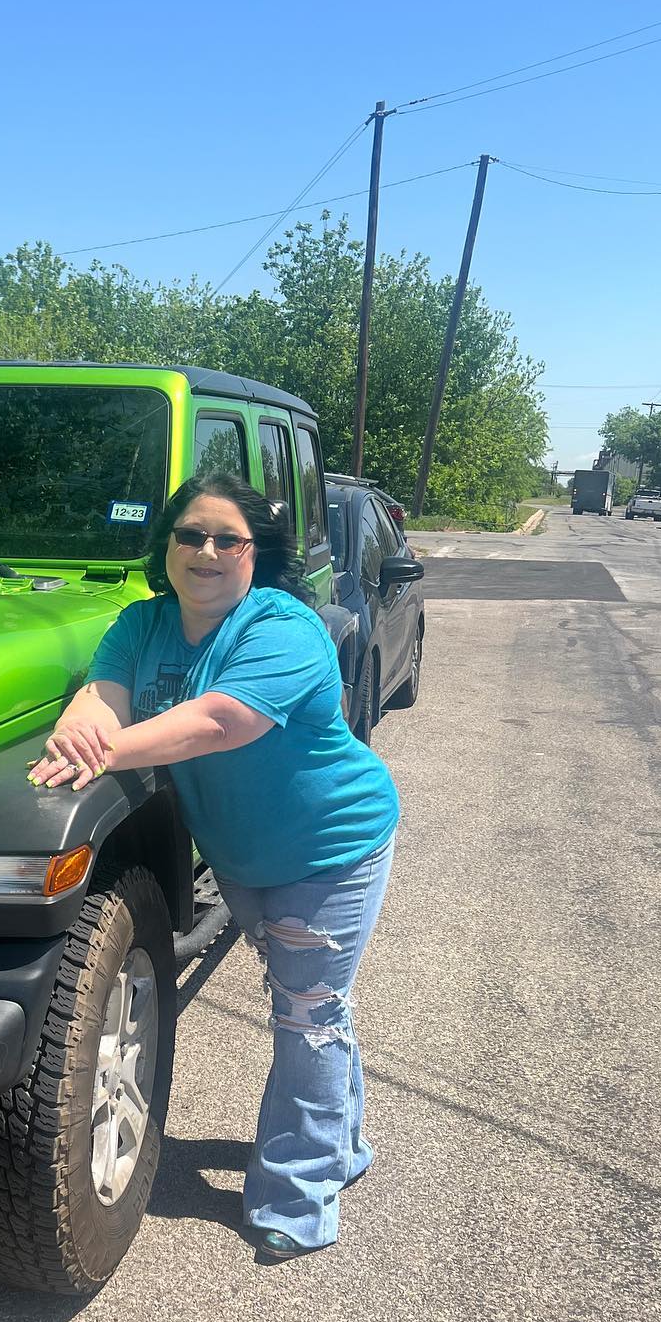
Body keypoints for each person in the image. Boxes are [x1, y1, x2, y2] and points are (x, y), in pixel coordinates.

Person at [27, 470, 400, 1262]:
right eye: (189, 534)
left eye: (226, 537)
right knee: (317, 1007)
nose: (205, 551)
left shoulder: (284, 628)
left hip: (331, 849)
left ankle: (296, 1199)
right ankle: (345, 1145)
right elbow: (102, 693)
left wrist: (99, 755)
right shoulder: (142, 622)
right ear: (167, 545)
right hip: (241, 858)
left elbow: (215, 722)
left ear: (255, 553)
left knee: (306, 1015)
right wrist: (77, 731)